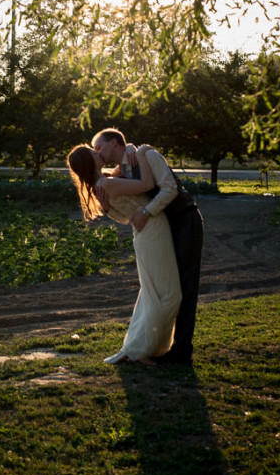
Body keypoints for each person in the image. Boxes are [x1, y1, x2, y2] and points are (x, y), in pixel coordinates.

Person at [92, 128, 204, 364]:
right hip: (160, 229)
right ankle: (156, 344)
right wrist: (107, 207)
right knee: (161, 286)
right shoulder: (124, 168)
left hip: (184, 220)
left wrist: (146, 211)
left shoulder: (148, 155)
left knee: (184, 286)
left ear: (114, 142)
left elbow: (170, 188)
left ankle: (181, 350)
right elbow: (126, 209)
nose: (97, 152)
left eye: (99, 146)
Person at [67, 143, 182, 365]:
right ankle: (142, 349)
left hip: (144, 232)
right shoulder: (107, 183)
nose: (98, 153)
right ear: (90, 161)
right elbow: (147, 184)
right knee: (167, 294)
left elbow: (125, 218)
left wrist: (108, 208)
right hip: (152, 230)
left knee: (154, 292)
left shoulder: (104, 183)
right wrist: (141, 151)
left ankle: (142, 347)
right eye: (94, 153)